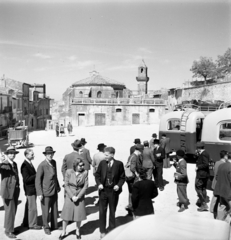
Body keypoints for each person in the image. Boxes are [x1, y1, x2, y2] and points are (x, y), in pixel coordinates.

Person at [95, 147, 125, 239]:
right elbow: (97, 175)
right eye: (104, 154)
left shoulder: (119, 164)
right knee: (102, 211)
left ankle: (112, 229)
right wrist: (99, 184)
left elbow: (122, 177)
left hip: (113, 191)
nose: (105, 156)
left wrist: (118, 185)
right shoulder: (102, 163)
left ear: (112, 155)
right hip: (103, 191)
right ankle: (102, 231)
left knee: (112, 211)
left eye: (107, 155)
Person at [60, 159, 88, 240]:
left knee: (78, 215)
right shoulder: (69, 172)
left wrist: (78, 197)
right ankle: (64, 231)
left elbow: (85, 186)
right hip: (70, 196)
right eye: (80, 165)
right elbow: (66, 184)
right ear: (75, 165)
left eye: (83, 165)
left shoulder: (85, 172)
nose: (82, 167)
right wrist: (72, 196)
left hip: (80, 196)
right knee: (66, 215)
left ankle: (77, 231)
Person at [35, 146, 61, 235]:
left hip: (54, 190)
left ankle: (55, 225)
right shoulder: (42, 165)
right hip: (45, 192)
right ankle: (46, 227)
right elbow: (37, 180)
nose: (50, 155)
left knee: (54, 209)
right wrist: (39, 193)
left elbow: (55, 175)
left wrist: (57, 185)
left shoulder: (54, 162)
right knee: (45, 211)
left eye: (51, 153)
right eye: (48, 154)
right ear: (45, 155)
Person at [0, 146, 20, 239]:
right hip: (7, 191)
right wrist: (1, 161)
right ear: (7, 154)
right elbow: (1, 169)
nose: (12, 154)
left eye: (13, 153)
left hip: (15, 190)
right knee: (9, 211)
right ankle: (8, 231)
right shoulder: (4, 164)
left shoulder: (14, 163)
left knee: (13, 210)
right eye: (10, 153)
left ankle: (9, 227)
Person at [21, 149, 41, 230]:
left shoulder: (29, 163)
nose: (33, 156)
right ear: (26, 155)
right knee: (32, 207)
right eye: (31, 154)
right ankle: (32, 224)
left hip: (31, 189)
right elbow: (26, 179)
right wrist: (36, 175)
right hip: (30, 189)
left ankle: (26, 222)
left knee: (28, 206)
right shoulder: (25, 165)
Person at [125, 144, 144, 212]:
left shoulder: (131, 155)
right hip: (133, 177)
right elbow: (133, 168)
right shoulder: (135, 157)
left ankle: (130, 205)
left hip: (128, 176)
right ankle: (132, 206)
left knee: (131, 192)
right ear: (139, 151)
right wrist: (137, 174)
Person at [210, 150, 228, 218]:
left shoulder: (216, 162)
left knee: (214, 197)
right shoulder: (223, 164)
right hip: (219, 184)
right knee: (220, 199)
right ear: (225, 156)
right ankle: (216, 212)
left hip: (214, 182)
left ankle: (212, 209)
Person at [214, 152, 231, 219]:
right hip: (229, 193)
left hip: (221, 191)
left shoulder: (221, 165)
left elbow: (217, 177)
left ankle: (219, 224)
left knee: (222, 207)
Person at [195, 142, 210, 212]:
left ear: (199, 148)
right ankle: (202, 202)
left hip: (201, 175)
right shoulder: (205, 153)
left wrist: (198, 167)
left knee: (198, 188)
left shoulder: (204, 154)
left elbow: (205, 164)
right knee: (203, 188)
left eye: (196, 148)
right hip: (205, 174)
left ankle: (203, 204)